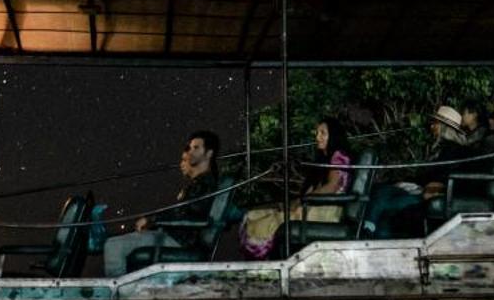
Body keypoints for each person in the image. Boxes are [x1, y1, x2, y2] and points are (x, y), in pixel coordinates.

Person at [103, 130, 221, 276]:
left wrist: (152, 219)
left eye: (196, 148)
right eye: (190, 147)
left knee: (113, 246)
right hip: (173, 235)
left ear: (209, 154)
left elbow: (186, 213)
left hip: (179, 240)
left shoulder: (205, 184)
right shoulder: (198, 184)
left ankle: (116, 294)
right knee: (118, 240)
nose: (190, 152)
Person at [239, 116, 353, 259]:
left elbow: (332, 186)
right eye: (317, 133)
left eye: (323, 133)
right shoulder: (323, 160)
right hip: (313, 206)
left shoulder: (339, 156)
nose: (317, 137)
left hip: (325, 210)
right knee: (255, 214)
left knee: (268, 221)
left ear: (334, 135)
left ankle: (263, 265)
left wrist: (303, 200)